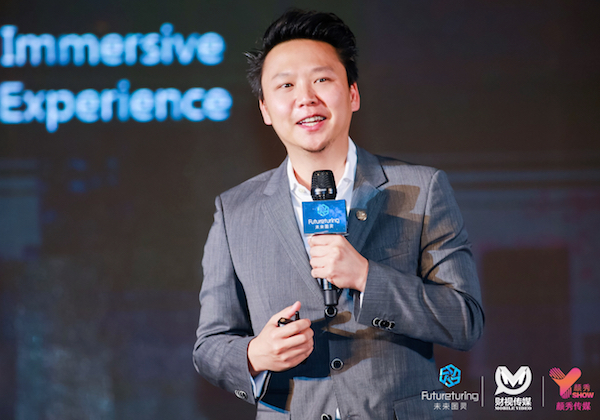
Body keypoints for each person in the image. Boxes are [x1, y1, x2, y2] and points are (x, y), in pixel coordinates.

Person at [193, 9, 484, 420]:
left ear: (352, 94)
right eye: (286, 85)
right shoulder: (235, 211)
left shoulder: (422, 189)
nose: (306, 98)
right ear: (265, 109)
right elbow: (209, 346)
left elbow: (464, 320)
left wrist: (367, 277)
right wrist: (255, 354)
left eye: (322, 80)